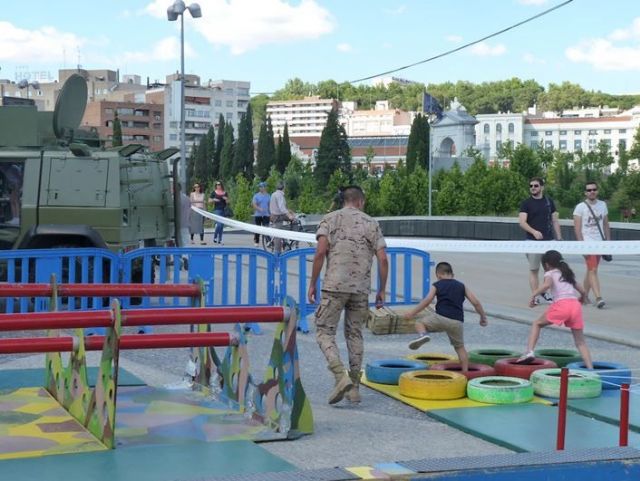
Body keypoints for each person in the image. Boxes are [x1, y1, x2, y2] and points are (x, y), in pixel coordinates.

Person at [308, 186, 388, 405]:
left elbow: (320, 252)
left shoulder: (330, 219)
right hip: (360, 289)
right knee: (355, 335)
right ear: (361, 202)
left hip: (334, 286)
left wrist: (313, 283)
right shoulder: (371, 223)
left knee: (324, 332)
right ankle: (354, 388)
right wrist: (381, 290)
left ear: (344, 200)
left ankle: (339, 376)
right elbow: (383, 259)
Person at [403, 262, 488, 372]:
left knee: (420, 323)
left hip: (440, 318)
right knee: (460, 347)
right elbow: (475, 302)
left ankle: (423, 335)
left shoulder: (437, 285)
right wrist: (482, 317)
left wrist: (412, 313)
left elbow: (427, 300)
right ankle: (466, 373)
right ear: (452, 275)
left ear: (438, 275)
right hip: (457, 322)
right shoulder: (461, 285)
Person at [516, 250, 593, 369]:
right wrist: (582, 298)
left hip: (562, 304)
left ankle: (529, 352)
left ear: (546, 264)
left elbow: (546, 285)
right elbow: (582, 290)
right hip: (575, 305)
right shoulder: (568, 273)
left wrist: (534, 295)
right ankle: (591, 369)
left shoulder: (550, 273)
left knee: (537, 324)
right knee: (580, 342)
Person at [518, 177, 562, 305]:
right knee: (534, 270)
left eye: (536, 186)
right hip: (532, 242)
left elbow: (554, 220)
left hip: (549, 241)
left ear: (542, 187)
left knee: (551, 270)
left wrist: (559, 237)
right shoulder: (526, 203)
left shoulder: (549, 202)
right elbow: (522, 222)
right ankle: (535, 296)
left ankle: (547, 293)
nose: (533, 188)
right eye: (531, 186)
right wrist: (534, 232)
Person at [573, 181, 610, 309]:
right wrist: (581, 245)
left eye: (594, 189)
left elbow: (606, 225)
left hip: (599, 243)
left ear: (597, 191)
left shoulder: (603, 205)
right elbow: (577, 228)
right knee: (593, 269)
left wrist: (608, 243)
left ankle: (583, 296)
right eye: (589, 190)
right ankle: (599, 297)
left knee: (591, 270)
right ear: (585, 193)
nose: (592, 192)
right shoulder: (580, 207)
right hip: (587, 243)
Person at [269, 181, 295, 253]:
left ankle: (287, 241)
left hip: (277, 215)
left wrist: (291, 212)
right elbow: (282, 208)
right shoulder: (279, 195)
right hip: (277, 217)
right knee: (278, 234)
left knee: (294, 220)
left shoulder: (275, 194)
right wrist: (289, 215)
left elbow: (283, 207)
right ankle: (277, 253)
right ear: (284, 187)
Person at [252, 182, 270, 247]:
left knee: (266, 228)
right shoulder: (256, 195)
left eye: (262, 187)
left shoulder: (268, 195)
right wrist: (258, 208)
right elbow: (254, 204)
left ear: (264, 188)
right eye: (259, 187)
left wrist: (270, 213)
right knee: (258, 228)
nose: (260, 188)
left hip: (266, 215)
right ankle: (256, 241)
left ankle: (268, 241)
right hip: (258, 215)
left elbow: (269, 205)